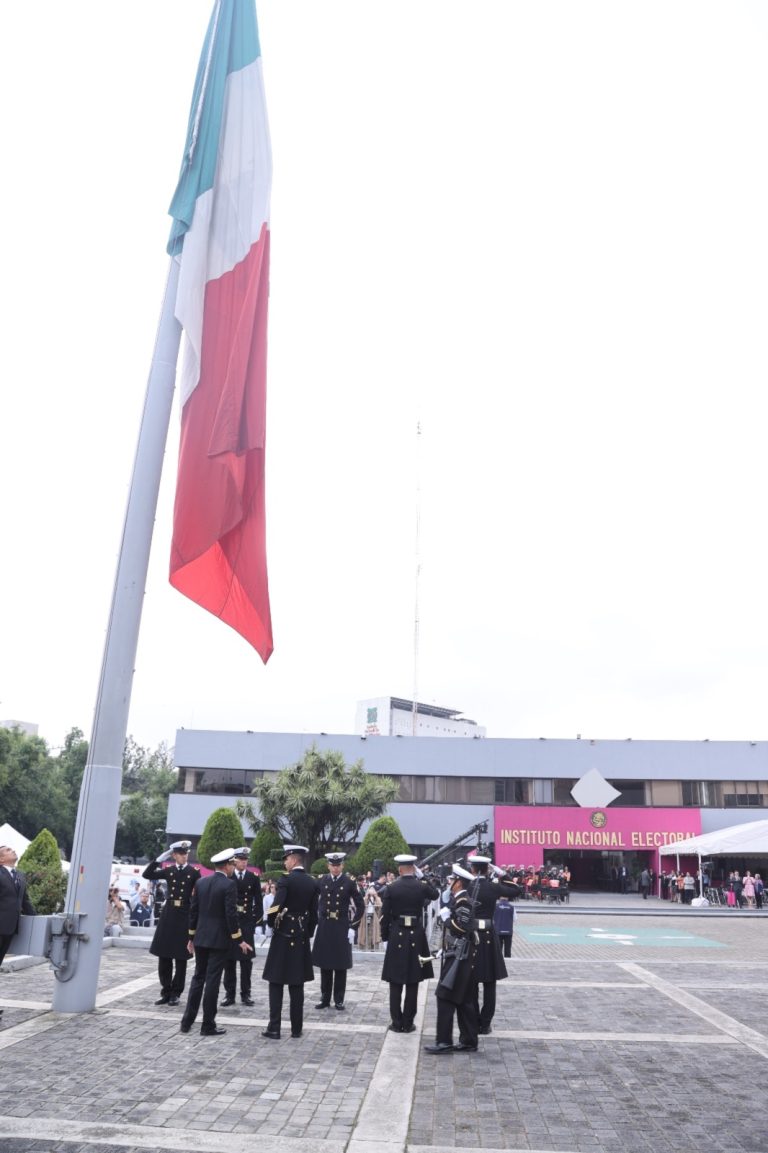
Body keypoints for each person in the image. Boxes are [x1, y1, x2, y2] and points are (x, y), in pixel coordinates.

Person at [180, 848, 252, 1037]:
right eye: (232, 864)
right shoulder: (229, 885)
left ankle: (186, 1022)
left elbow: (193, 912)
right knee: (212, 981)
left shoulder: (201, 882)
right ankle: (207, 1025)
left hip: (201, 939)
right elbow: (231, 915)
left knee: (198, 979)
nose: (233, 868)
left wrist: (191, 938)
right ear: (227, 865)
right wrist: (239, 940)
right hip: (219, 941)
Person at [261, 845, 319, 1039]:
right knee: (297, 984)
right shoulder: (312, 883)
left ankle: (274, 1028)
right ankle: (296, 1028)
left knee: (276, 982)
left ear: (293, 860)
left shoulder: (285, 880)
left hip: (283, 936)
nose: (285, 862)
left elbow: (275, 906)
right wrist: (307, 934)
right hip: (301, 937)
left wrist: (271, 923)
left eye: (286, 859)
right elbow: (313, 916)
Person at [379, 852, 439, 1034]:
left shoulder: (391, 888)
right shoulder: (420, 886)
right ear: (414, 868)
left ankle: (396, 1022)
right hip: (416, 936)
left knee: (395, 982)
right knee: (413, 980)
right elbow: (435, 894)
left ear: (399, 869)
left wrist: (385, 938)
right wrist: (425, 878)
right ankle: (408, 1022)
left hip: (397, 934)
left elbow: (385, 916)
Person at [425, 863, 479, 1054]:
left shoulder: (463, 901)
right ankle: (469, 1040)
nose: (448, 883)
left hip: (459, 957)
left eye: (451, 880)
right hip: (458, 954)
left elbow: (462, 928)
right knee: (464, 1000)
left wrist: (447, 918)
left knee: (445, 996)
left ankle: (444, 1041)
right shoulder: (460, 900)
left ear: (458, 883)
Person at [466, 854, 520, 1035]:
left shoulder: (468, 885)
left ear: (473, 869)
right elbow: (516, 889)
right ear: (487, 869)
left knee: (471, 981)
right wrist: (503, 873)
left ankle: (473, 1020)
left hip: (472, 935)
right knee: (490, 983)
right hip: (489, 935)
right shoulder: (493, 887)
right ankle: (485, 1023)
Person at [143, 840, 201, 1006]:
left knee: (181, 957)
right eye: (181, 854)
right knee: (164, 956)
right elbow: (147, 875)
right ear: (174, 855)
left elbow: (199, 894)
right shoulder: (168, 871)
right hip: (169, 914)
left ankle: (176, 993)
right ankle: (166, 991)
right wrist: (159, 859)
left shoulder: (193, 872)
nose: (184, 856)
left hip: (184, 914)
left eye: (186, 853)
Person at [312, 852, 364, 1011]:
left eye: (338, 865)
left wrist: (353, 926)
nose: (335, 868)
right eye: (332, 865)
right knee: (325, 965)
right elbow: (311, 898)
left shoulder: (349, 882)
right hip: (325, 925)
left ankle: (339, 999)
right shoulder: (321, 880)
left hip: (341, 925)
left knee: (340, 966)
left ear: (342, 865)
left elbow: (360, 905)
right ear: (328, 866)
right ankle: (325, 998)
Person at [221, 848, 263, 1007]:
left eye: (246, 859)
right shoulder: (229, 876)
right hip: (231, 922)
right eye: (240, 859)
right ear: (234, 860)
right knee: (229, 961)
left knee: (246, 962)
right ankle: (229, 994)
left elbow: (258, 901)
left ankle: (246, 994)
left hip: (246, 923)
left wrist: (257, 923)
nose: (244, 862)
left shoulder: (253, 877)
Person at [0, 844, 35, 1010]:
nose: (12, 850)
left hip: (10, 928)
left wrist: (36, 919)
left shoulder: (20, 875)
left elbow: (25, 901)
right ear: (1, 859)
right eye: (7, 850)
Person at [493, 893, 515, 958]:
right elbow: (514, 919)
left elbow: (492, 918)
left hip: (497, 930)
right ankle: (508, 960)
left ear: (500, 897)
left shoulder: (495, 906)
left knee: (498, 949)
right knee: (507, 949)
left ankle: (498, 962)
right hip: (508, 931)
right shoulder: (512, 907)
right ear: (507, 898)